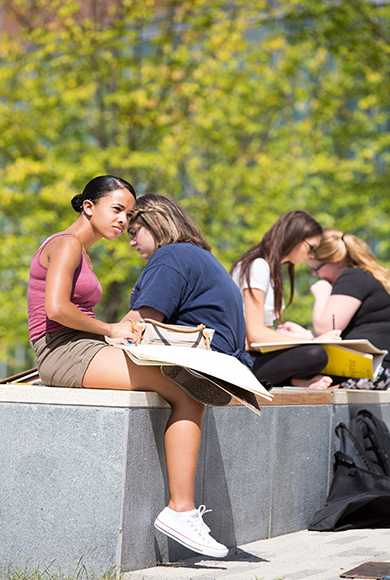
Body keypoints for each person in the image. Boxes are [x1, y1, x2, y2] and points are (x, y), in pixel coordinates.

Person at [27, 176, 228, 559]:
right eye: (116, 210)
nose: (123, 221)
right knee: (186, 388)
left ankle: (182, 510)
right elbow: (56, 309)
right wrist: (109, 329)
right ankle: (180, 511)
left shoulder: (79, 251)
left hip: (81, 347)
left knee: (188, 381)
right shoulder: (65, 244)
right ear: (89, 206)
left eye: (129, 214)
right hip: (62, 352)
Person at [122, 193, 252, 370]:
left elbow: (139, 324)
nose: (131, 242)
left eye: (133, 232)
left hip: (202, 366)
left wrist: (95, 338)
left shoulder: (171, 255)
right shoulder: (195, 254)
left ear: (157, 221)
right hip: (226, 365)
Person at [231, 211, 341, 389]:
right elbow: (255, 335)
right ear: (296, 237)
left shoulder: (269, 269)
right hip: (244, 359)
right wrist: (313, 341)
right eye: (311, 248)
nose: (311, 256)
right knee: (316, 354)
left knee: (330, 362)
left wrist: (290, 336)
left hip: (256, 355)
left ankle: (295, 380)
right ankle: (294, 380)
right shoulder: (258, 265)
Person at [307, 228, 390, 390]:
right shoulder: (369, 275)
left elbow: (326, 327)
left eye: (317, 268)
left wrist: (322, 293)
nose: (316, 274)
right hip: (378, 370)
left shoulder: (353, 277)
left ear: (338, 260)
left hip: (371, 372)